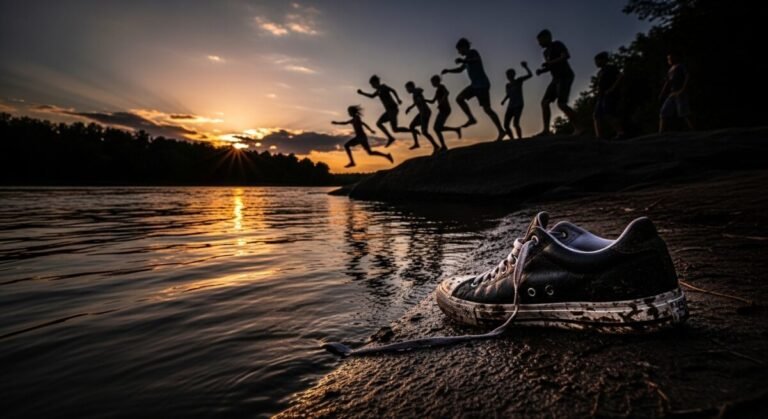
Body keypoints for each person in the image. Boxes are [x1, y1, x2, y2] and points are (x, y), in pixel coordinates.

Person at [441, 38, 505, 141]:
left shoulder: (473, 52)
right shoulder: (466, 59)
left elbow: (476, 60)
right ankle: (471, 118)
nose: (459, 52)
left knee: (487, 109)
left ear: (464, 47)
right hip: (474, 86)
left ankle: (501, 131)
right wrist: (448, 71)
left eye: (459, 50)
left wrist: (463, 60)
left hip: (482, 85)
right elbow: (460, 69)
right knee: (459, 98)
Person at [535, 29, 582, 136]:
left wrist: (550, 63)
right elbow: (550, 66)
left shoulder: (557, 44)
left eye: (540, 41)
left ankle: (579, 127)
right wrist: (542, 71)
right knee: (545, 102)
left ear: (548, 37)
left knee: (561, 104)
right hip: (555, 79)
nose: (539, 44)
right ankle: (546, 130)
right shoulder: (545, 53)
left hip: (565, 76)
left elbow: (565, 56)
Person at [357, 75, 410, 146]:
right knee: (391, 128)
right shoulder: (378, 91)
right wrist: (362, 93)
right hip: (388, 111)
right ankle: (391, 137)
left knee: (393, 128)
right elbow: (372, 96)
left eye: (372, 84)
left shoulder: (383, 87)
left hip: (393, 109)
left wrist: (398, 99)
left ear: (376, 82)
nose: (372, 86)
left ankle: (411, 130)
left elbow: (393, 90)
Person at [593, 51, 626, 139]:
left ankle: (620, 132)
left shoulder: (611, 68)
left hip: (610, 95)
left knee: (608, 113)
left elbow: (620, 76)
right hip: (601, 96)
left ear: (603, 60)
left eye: (597, 61)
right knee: (596, 115)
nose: (596, 63)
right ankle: (599, 136)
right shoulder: (600, 72)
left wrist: (612, 88)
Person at [659, 52, 694, 133]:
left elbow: (687, 76)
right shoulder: (670, 70)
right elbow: (667, 82)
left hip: (679, 92)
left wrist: (683, 89)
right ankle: (661, 133)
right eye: (668, 59)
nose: (669, 60)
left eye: (670, 58)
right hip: (672, 93)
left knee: (684, 113)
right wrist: (662, 93)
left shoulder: (680, 66)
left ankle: (694, 130)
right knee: (663, 112)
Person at [426, 75, 462, 150]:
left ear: (437, 81)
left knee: (436, 128)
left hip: (445, 109)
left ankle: (444, 146)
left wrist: (442, 102)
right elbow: (433, 101)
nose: (432, 84)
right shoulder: (437, 90)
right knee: (437, 128)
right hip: (442, 109)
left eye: (432, 82)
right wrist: (424, 100)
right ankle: (455, 130)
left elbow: (447, 93)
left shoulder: (441, 87)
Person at [405, 81, 441, 153]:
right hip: (422, 112)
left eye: (407, 88)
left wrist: (422, 112)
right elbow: (417, 101)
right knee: (412, 126)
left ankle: (435, 146)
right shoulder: (415, 93)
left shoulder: (416, 92)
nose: (407, 90)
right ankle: (417, 144)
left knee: (424, 131)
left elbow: (420, 100)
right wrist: (410, 108)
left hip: (424, 112)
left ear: (411, 87)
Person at [500, 61, 533, 139]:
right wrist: (504, 100)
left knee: (515, 123)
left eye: (510, 74)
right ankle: (512, 139)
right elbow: (508, 94)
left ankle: (519, 139)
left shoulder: (519, 80)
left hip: (518, 104)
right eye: (507, 74)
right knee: (506, 125)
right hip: (510, 106)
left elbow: (530, 75)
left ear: (513, 74)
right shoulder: (507, 85)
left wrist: (526, 67)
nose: (508, 76)